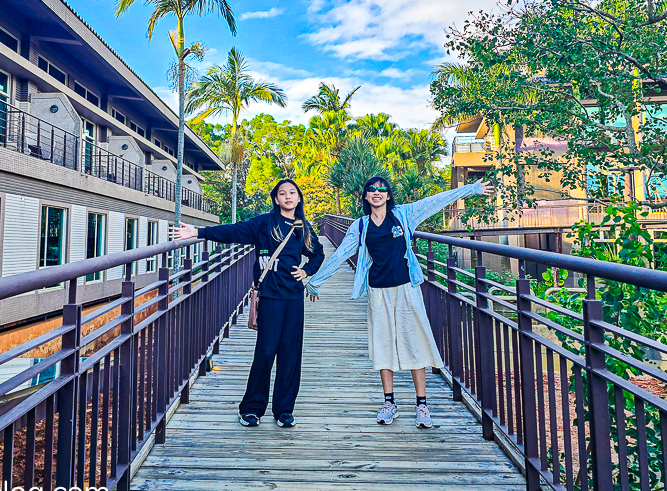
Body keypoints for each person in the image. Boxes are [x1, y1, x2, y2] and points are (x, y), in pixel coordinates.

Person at [306, 176, 494, 428]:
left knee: (414, 342)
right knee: (383, 345)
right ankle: (389, 403)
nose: (377, 192)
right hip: (378, 292)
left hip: (406, 288)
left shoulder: (404, 215)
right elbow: (340, 255)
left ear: (388, 195)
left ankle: (422, 404)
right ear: (365, 196)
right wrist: (316, 281)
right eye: (371, 189)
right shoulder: (361, 226)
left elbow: (436, 201)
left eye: (382, 189)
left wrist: (472, 189)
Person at [169, 179, 324, 428]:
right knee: (265, 352)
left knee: (290, 355)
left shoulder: (303, 228)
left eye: (292, 193)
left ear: (298, 198)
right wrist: (198, 232)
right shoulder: (264, 223)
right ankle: (251, 408)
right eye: (282, 193)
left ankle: (284, 410)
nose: (287, 197)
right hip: (270, 297)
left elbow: (318, 253)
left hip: (294, 298)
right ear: (276, 199)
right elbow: (233, 231)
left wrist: (306, 271)